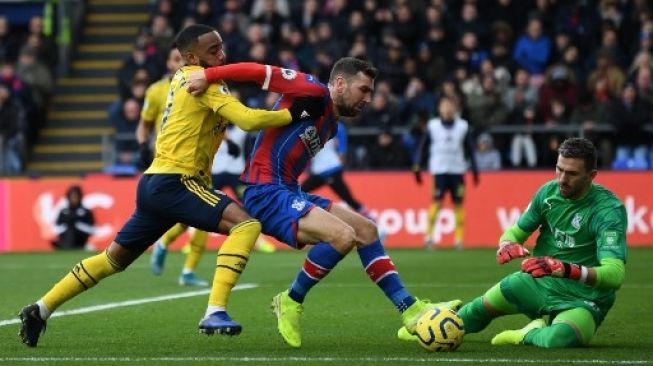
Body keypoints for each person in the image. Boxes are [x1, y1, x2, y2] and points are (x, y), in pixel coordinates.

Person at [18, 24, 325, 347]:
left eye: (221, 47)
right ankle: (214, 311)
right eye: (213, 51)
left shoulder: (189, 79)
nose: (221, 55)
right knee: (247, 224)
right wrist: (296, 113)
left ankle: (40, 308)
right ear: (192, 56)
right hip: (177, 181)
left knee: (113, 260)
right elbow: (248, 120)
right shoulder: (201, 83)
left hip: (155, 182)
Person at [186, 56, 461, 348]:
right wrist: (209, 75)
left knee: (367, 230)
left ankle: (410, 310)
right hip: (265, 192)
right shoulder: (310, 90)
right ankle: (290, 301)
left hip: (288, 191)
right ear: (340, 83)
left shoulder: (331, 123)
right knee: (342, 236)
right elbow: (257, 72)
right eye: (363, 90)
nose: (368, 99)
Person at [401, 137, 628, 348]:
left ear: (592, 175)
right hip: (538, 282)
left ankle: (527, 333)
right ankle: (425, 324)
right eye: (559, 169)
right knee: (474, 313)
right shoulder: (548, 194)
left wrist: (566, 270)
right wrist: (506, 244)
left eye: (571, 173)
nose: (562, 179)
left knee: (559, 338)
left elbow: (614, 275)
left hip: (584, 297)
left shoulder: (608, 211)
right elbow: (515, 232)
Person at [413, 96, 479, 250]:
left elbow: (470, 148)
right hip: (439, 170)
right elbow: (423, 146)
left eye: (450, 105)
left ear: (455, 108)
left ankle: (458, 240)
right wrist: (417, 166)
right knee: (437, 202)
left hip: (457, 171)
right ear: (440, 108)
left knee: (458, 204)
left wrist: (475, 170)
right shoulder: (433, 126)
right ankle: (428, 237)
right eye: (444, 105)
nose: (447, 109)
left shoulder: (463, 126)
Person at [300, 120, 371, 218]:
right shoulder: (312, 126)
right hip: (320, 170)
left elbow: (342, 150)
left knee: (348, 198)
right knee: (300, 193)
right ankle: (370, 217)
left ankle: (371, 218)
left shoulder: (335, 126)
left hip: (331, 169)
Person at [52, 185, 96, 250]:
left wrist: (77, 225)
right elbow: (56, 228)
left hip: (81, 240)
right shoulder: (63, 211)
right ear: (68, 197)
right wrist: (68, 225)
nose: (74, 199)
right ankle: (65, 244)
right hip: (65, 238)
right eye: (72, 197)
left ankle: (68, 245)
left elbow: (92, 229)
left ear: (80, 197)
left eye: (76, 197)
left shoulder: (86, 211)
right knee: (70, 230)